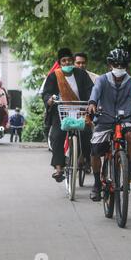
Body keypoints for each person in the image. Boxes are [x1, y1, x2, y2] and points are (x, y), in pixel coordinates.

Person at [87, 47, 131, 201]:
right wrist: (92, 104)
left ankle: (129, 170)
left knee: (130, 135)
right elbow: (95, 93)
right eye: (116, 65)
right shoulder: (102, 80)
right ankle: (97, 184)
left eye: (122, 66)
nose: (119, 69)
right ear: (110, 65)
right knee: (95, 151)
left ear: (126, 67)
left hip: (125, 120)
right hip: (104, 119)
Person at [42, 48, 94, 182]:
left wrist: (91, 102)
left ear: (72, 61)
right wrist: (49, 99)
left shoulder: (81, 74)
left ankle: (86, 159)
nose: (67, 63)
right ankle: (59, 168)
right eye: (63, 61)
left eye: (69, 60)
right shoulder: (54, 75)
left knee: (87, 132)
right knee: (57, 135)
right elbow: (46, 93)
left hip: (80, 110)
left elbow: (91, 90)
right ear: (59, 62)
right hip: (61, 112)